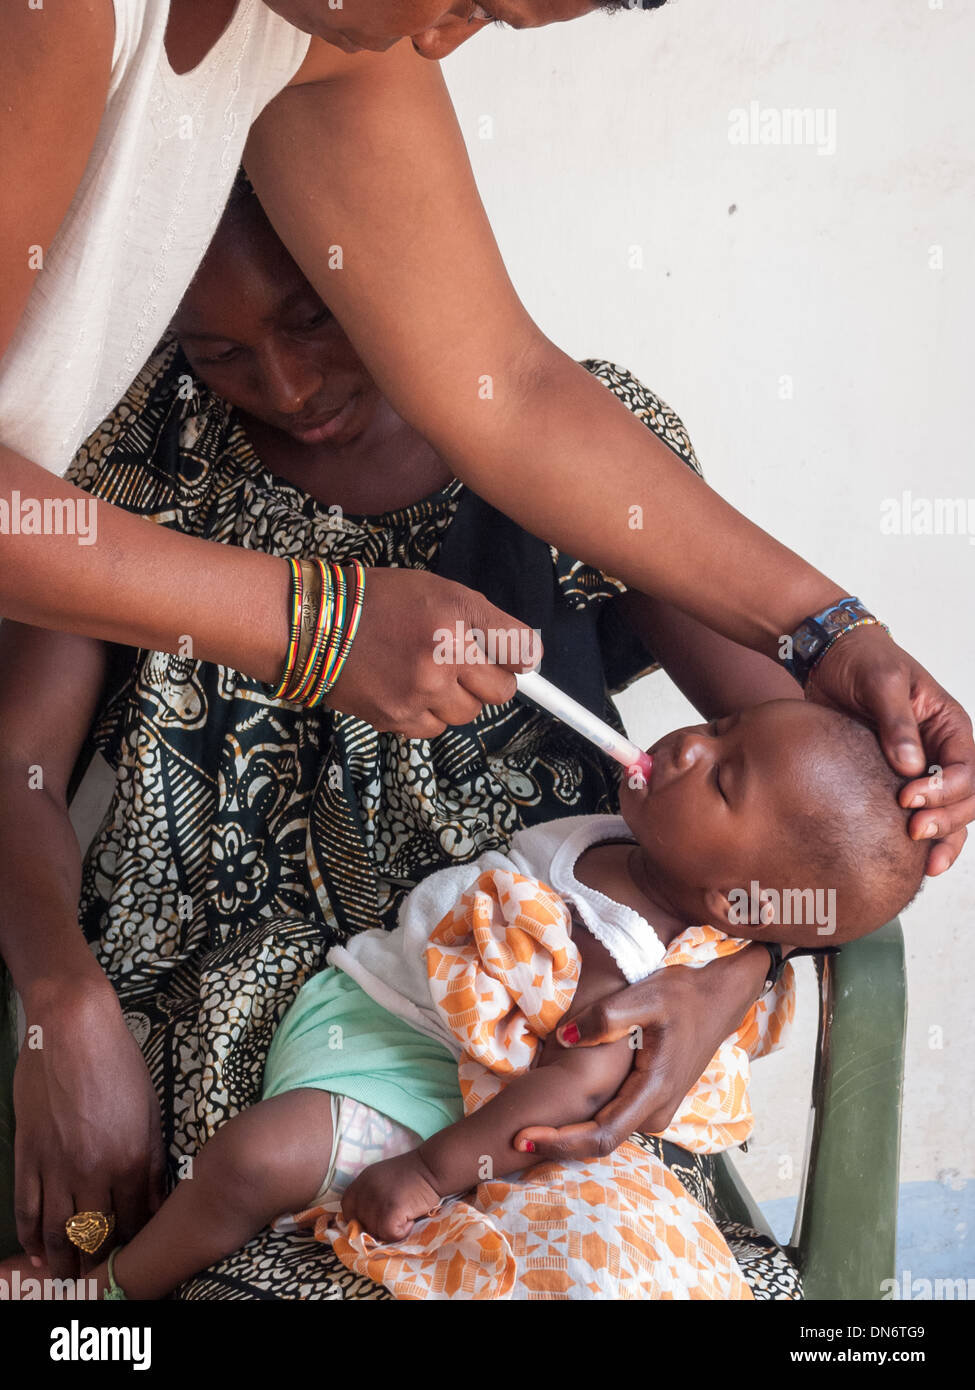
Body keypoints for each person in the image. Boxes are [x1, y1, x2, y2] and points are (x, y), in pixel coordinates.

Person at [0, 179, 805, 1297]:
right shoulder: (131, 454)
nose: (284, 387)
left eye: (313, 319)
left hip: (526, 1088)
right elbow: (17, 771)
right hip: (227, 1096)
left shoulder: (573, 450)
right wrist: (62, 1001)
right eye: (217, 349)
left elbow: (811, 795)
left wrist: (736, 971)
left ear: (386, 266)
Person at [0, 1, 972, 879]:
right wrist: (316, 625)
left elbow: (505, 389)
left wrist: (827, 628)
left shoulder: (321, 38)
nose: (441, 43)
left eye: (493, 22)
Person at [74, 697, 926, 1299]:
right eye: (718, 726)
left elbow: (576, 1086)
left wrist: (430, 1170)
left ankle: (112, 1292)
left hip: (423, 1088)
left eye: (723, 782)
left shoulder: (629, 947)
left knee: (249, 1163)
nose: (690, 747)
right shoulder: (635, 848)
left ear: (733, 904)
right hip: (371, 1014)